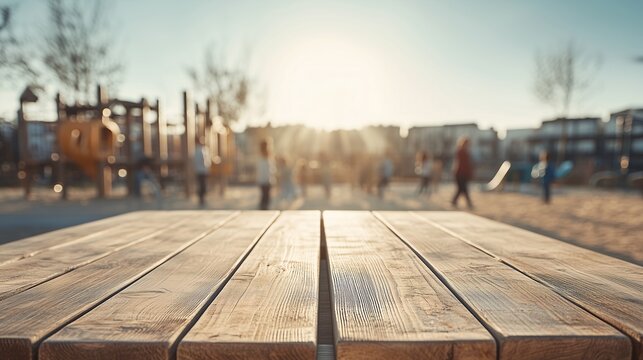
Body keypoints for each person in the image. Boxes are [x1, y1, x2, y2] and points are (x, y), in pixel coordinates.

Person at [451, 137, 474, 209]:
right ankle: (468, 203)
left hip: (464, 173)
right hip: (460, 173)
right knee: (463, 188)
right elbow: (460, 164)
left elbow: (468, 164)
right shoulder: (460, 152)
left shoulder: (465, 152)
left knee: (461, 189)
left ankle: (454, 201)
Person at [257, 139, 275, 210]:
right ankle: (264, 209)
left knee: (264, 196)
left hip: (262, 179)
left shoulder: (261, 155)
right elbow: (269, 169)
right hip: (266, 179)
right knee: (266, 197)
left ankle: (263, 209)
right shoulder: (267, 155)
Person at [194, 137, 211, 206]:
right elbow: (205, 161)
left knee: (201, 184)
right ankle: (201, 198)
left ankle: (201, 198)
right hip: (202, 170)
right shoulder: (201, 150)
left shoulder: (197, 150)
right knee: (202, 184)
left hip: (199, 170)